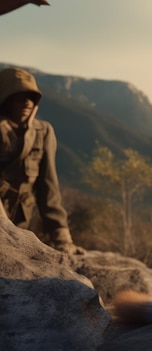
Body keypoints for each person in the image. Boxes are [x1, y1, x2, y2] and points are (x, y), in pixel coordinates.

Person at [0, 67, 84, 254]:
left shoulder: (43, 132)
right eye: (19, 97)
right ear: (6, 100)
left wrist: (61, 236)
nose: (27, 103)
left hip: (23, 227)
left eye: (31, 97)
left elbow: (49, 188)